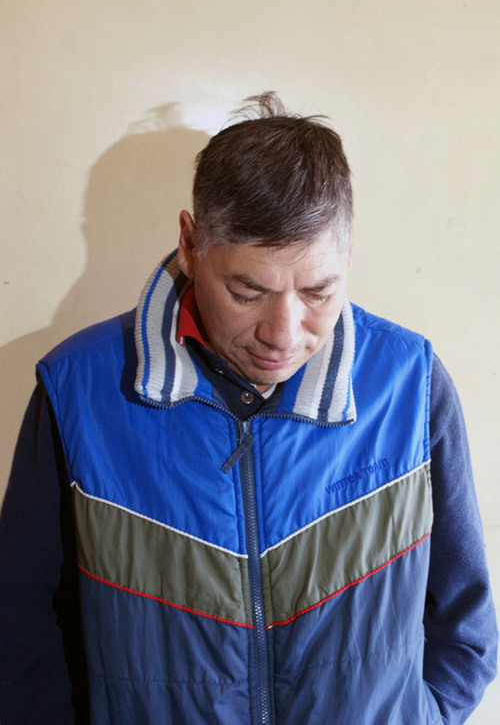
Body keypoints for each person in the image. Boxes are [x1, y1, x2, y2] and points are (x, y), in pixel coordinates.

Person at [0, 92, 497, 725]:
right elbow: (19, 626)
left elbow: (465, 623)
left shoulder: (410, 383)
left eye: (318, 291)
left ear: (347, 256)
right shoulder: (79, 390)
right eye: (247, 291)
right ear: (191, 244)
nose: (282, 334)